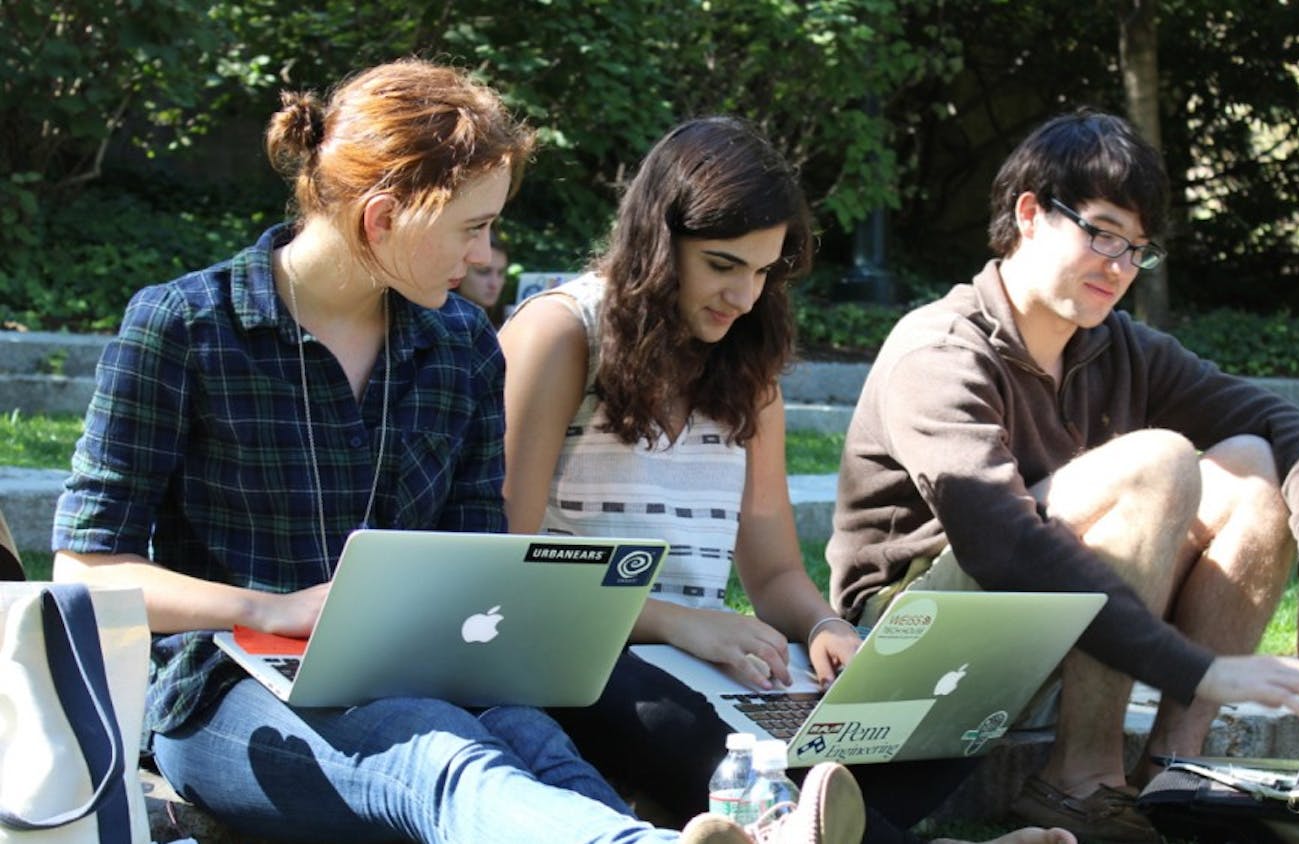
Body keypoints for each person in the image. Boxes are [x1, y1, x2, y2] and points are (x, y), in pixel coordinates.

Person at [49, 60, 864, 844]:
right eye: (473, 228)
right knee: (438, 753)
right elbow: (87, 572)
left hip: (434, 677)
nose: (485, 256)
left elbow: (489, 565)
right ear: (382, 218)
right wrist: (269, 609)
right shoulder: (184, 328)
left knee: (538, 746)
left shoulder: (461, 346)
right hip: (228, 702)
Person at [499, 116, 1074, 844]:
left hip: (713, 663)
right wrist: (680, 623)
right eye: (723, 264)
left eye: (765, 270)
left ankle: (789, 832)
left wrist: (824, 626)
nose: (744, 295)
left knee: (937, 718)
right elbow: (509, 566)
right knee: (665, 718)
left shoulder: (747, 360)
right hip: (585, 657)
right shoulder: (558, 334)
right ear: (657, 240)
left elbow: (770, 569)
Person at [825, 107, 1299, 842]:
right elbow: (1003, 545)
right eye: (1103, 232)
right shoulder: (938, 349)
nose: (1119, 265)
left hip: (1057, 632)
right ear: (1029, 213)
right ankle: (1082, 784)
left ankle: (1176, 776)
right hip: (915, 651)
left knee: (1252, 465)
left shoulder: (1119, 347)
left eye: (1137, 248)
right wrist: (1198, 667)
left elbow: (1291, 424)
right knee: (1160, 462)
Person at [453, 236, 510, 325]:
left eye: (500, 273)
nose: (494, 284)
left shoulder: (508, 320)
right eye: (483, 272)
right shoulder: (437, 322)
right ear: (457, 271)